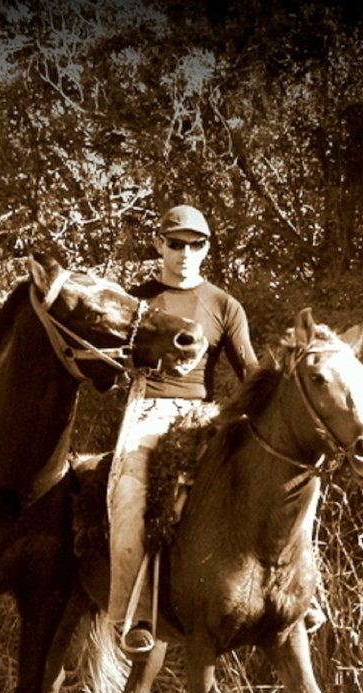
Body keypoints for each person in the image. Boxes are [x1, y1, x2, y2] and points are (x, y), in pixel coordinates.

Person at [108, 205, 258, 658]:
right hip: (149, 411)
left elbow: (249, 369)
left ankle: (298, 599)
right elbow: (111, 364)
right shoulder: (137, 301)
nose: (186, 253)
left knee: (274, 482)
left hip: (204, 416)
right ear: (159, 245)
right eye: (176, 243)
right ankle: (132, 614)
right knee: (130, 499)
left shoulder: (224, 305)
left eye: (197, 244)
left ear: (207, 248)